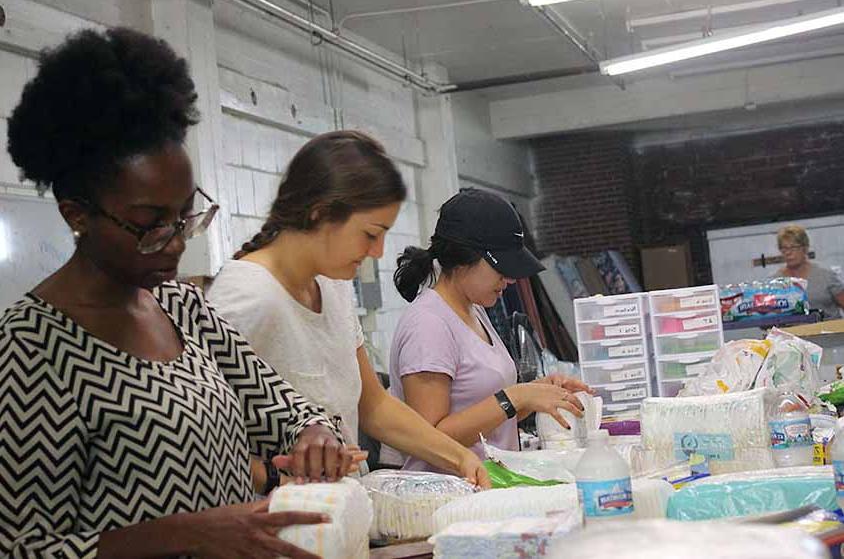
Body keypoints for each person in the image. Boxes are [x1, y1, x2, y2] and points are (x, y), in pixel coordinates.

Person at [0, 28, 357, 559]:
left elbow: (287, 410)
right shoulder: (27, 352)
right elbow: (19, 548)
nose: (176, 242)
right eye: (150, 224)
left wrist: (313, 433)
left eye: (185, 215)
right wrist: (181, 534)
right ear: (76, 215)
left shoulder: (183, 308)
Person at [207, 131, 491, 486]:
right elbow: (203, 446)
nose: (378, 252)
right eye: (371, 235)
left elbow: (373, 406)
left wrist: (459, 457)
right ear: (320, 215)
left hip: (342, 513)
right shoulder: (246, 297)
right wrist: (274, 479)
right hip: (276, 527)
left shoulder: (332, 284)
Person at [389, 188, 592, 472]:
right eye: (501, 269)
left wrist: (537, 394)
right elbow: (430, 440)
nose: (508, 280)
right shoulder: (428, 325)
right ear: (464, 257)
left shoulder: (475, 311)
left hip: (489, 484)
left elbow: (490, 415)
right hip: (450, 496)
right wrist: (516, 396)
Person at [775, 224, 844, 319]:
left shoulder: (825, 276)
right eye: (784, 248)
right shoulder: (775, 282)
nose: (788, 253)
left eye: (793, 247)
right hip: (792, 331)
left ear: (805, 249)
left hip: (829, 331)